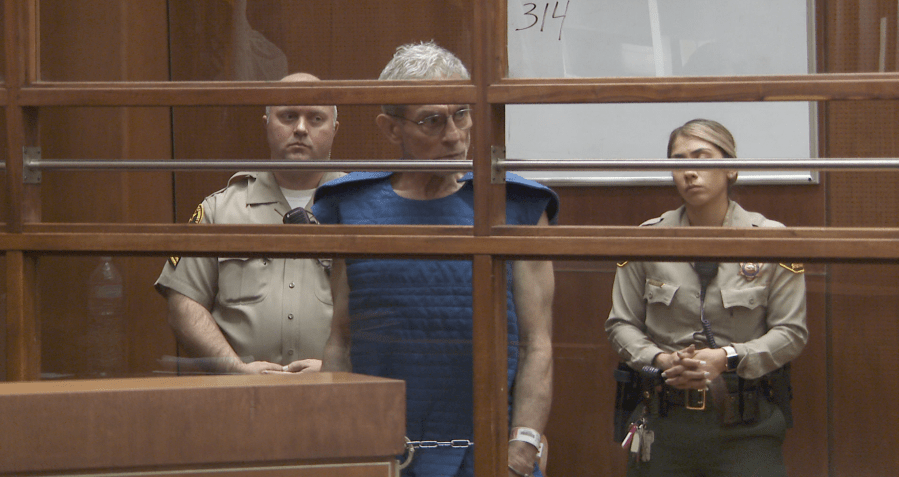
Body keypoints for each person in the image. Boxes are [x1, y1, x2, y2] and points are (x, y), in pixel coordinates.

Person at [313, 42, 558, 477]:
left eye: (462, 114)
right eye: (433, 120)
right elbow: (341, 340)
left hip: (490, 454)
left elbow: (537, 342)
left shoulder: (515, 203)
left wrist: (523, 446)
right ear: (391, 130)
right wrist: (340, 441)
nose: (454, 135)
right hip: (382, 450)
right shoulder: (350, 204)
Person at [605, 119, 808, 477]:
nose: (689, 171)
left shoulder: (771, 239)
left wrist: (727, 357)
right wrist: (663, 358)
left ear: (731, 167)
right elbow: (621, 324)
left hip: (746, 424)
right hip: (664, 419)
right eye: (678, 161)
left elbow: (791, 332)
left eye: (702, 157)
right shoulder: (647, 239)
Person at [155, 72, 342, 375]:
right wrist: (235, 371)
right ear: (267, 123)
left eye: (316, 118)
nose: (301, 129)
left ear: (334, 129)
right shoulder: (220, 210)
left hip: (340, 395)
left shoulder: (361, 209)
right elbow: (183, 305)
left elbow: (389, 309)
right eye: (288, 116)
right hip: (240, 400)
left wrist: (338, 365)